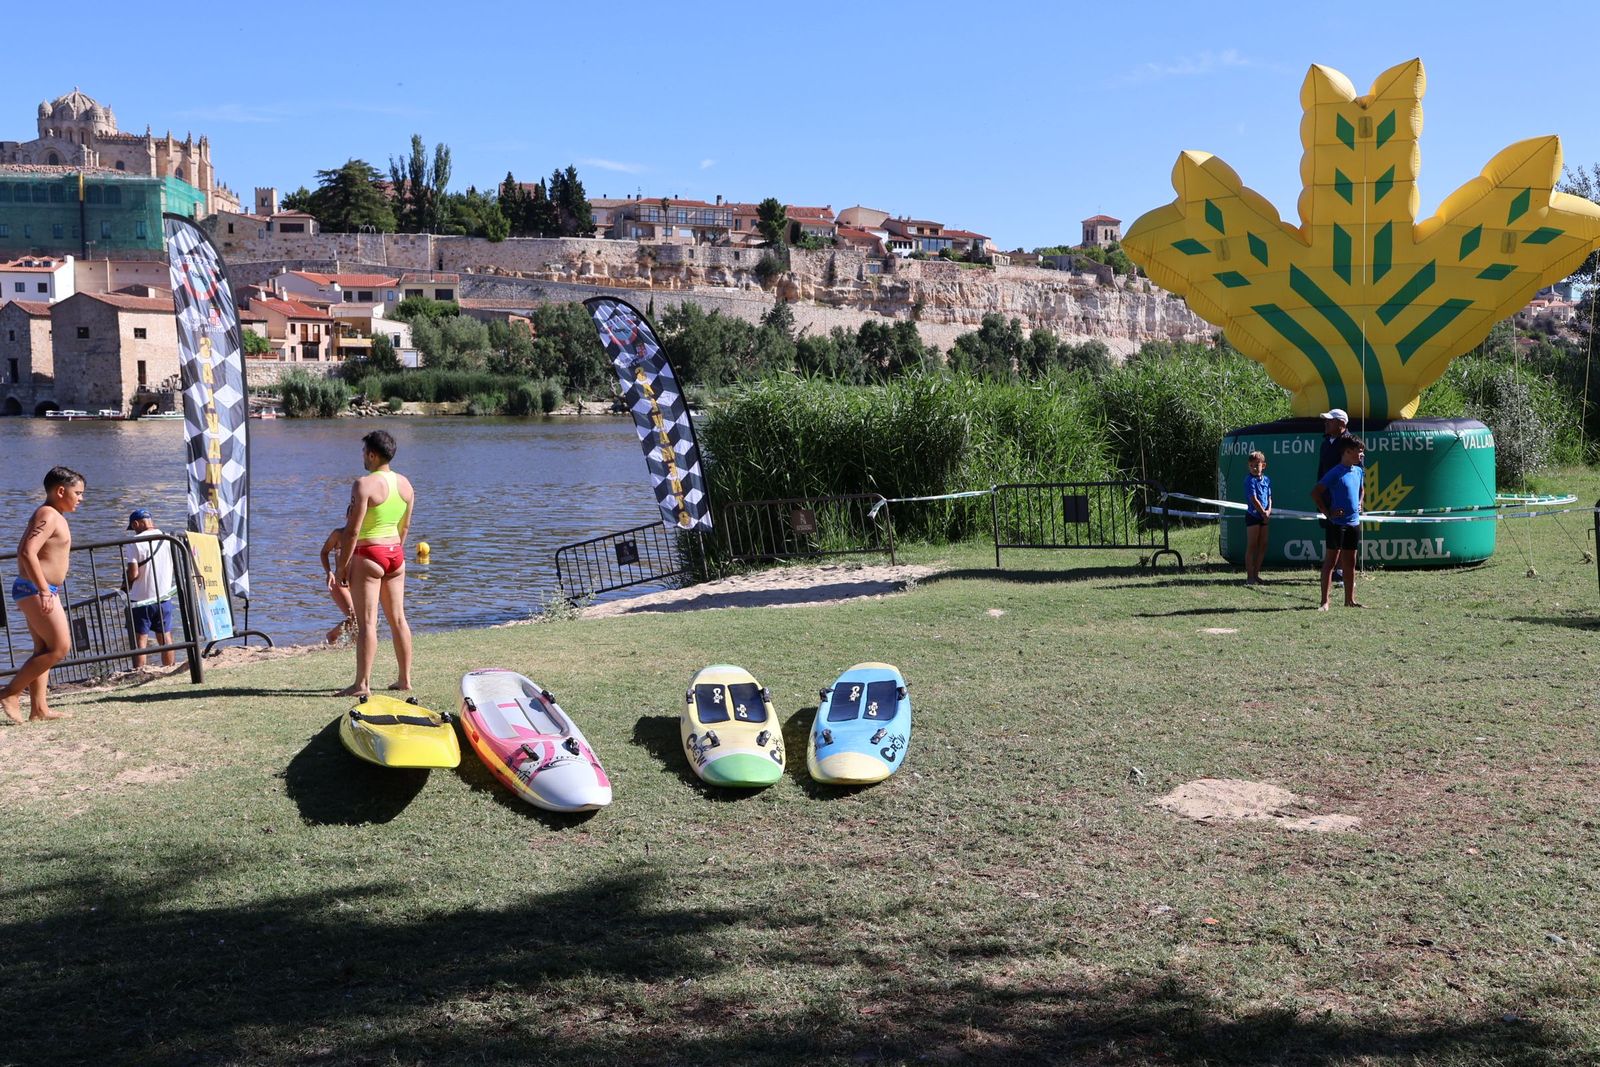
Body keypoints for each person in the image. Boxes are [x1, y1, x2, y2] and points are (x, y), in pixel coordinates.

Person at [1, 467, 84, 723]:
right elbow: (27, 552)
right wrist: (41, 590)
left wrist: (32, 590)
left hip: (37, 589)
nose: (81, 498)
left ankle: (39, 708)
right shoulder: (48, 514)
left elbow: (20, 550)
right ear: (61, 491)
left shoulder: (50, 514)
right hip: (39, 589)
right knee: (59, 648)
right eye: (77, 493)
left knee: (43, 650)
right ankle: (9, 693)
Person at [335, 430, 414, 698]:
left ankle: (362, 684)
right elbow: (405, 527)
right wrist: (395, 553)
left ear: (372, 454)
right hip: (395, 554)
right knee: (398, 618)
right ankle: (404, 679)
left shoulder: (364, 484)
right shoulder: (406, 485)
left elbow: (352, 531)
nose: (362, 458)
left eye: (364, 453)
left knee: (368, 622)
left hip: (369, 554)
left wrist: (342, 566)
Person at [1311, 435, 1366, 610]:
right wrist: (1328, 513)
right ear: (1347, 452)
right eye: (1359, 452)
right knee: (1330, 563)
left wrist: (1359, 502)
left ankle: (1350, 600)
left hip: (1353, 523)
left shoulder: (1358, 470)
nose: (1361, 455)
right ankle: (1324, 602)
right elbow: (1316, 493)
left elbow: (1361, 489)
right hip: (1336, 524)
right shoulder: (1335, 472)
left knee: (1350, 562)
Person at [123, 508, 180, 670]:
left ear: (136, 524)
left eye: (133, 527)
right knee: (166, 638)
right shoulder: (168, 538)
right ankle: (169, 669)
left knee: (140, 641)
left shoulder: (134, 542)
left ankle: (139, 673)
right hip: (164, 597)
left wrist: (124, 585)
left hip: (141, 599)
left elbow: (133, 573)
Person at [1316, 408, 1359, 583]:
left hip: (1345, 499)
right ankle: (1333, 570)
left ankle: (1342, 572)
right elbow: (1321, 472)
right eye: (1326, 420)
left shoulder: (1351, 443)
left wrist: (1358, 500)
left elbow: (1359, 472)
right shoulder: (1325, 443)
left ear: (1341, 423)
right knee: (1332, 534)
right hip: (1328, 498)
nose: (1326, 423)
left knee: (1345, 535)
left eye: (1330, 420)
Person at [320, 526, 355, 644]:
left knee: (364, 619)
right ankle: (332, 636)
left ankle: (353, 644)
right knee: (355, 617)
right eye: (352, 513)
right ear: (347, 516)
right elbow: (324, 552)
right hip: (339, 582)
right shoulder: (338, 534)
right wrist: (329, 572)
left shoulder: (364, 534)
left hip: (356, 583)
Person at [1243, 450, 1272, 585]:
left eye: (1257, 465)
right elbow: (1254, 499)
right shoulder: (1249, 480)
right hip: (1253, 516)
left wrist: (1268, 511)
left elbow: (1269, 497)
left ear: (1263, 465)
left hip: (1264, 517)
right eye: (1251, 465)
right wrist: (1262, 512)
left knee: (1263, 545)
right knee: (1252, 546)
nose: (1254, 468)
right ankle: (1250, 577)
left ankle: (1256, 574)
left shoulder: (1267, 480)